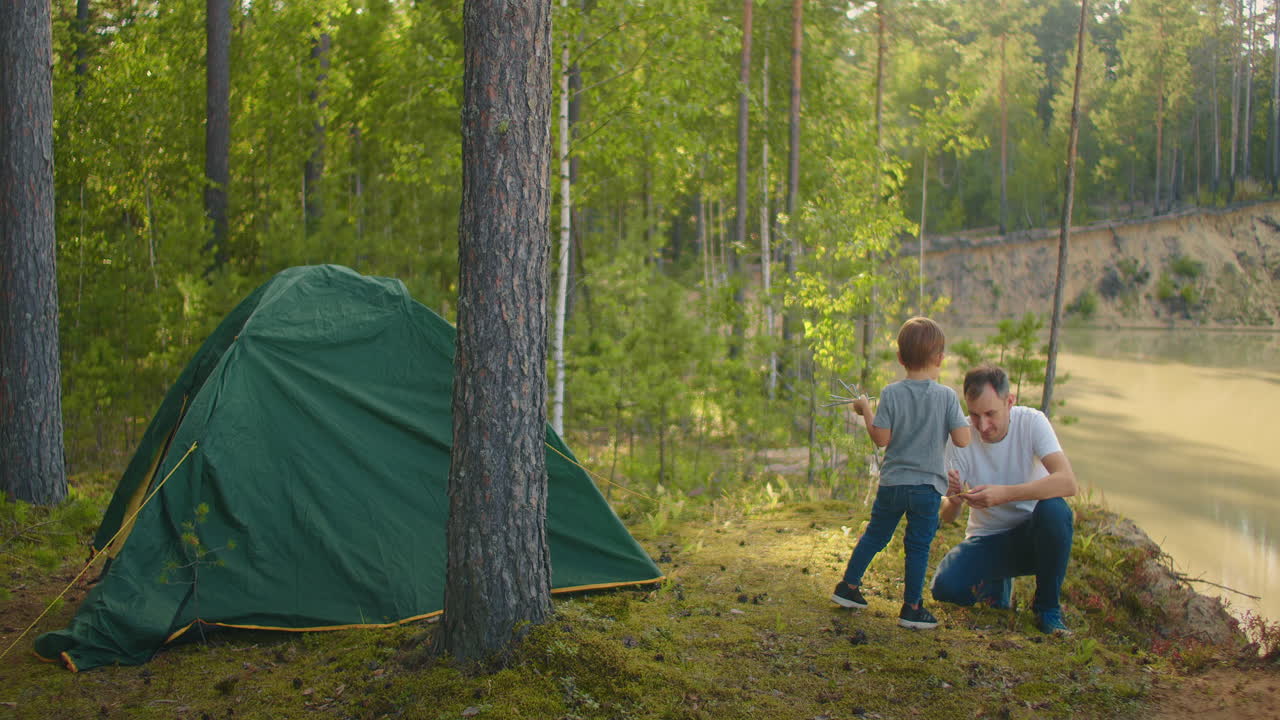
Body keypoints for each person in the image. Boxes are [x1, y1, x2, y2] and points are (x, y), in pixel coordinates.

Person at [831, 317, 971, 630]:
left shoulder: (891, 393)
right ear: (940, 358)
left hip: (893, 483)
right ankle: (911, 607)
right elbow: (963, 439)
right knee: (918, 546)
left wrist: (865, 409)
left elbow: (881, 439)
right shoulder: (946, 396)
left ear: (900, 358)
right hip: (927, 489)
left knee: (876, 535)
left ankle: (848, 587)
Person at [930, 363, 1078, 635]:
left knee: (1055, 510)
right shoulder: (961, 435)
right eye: (975, 415)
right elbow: (948, 516)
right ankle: (996, 581)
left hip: (1034, 534)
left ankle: (1047, 608)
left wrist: (1004, 494)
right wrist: (954, 499)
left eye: (990, 414)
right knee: (945, 587)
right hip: (987, 537)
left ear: (1009, 401)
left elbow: (1067, 482)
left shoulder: (1032, 422)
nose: (983, 426)